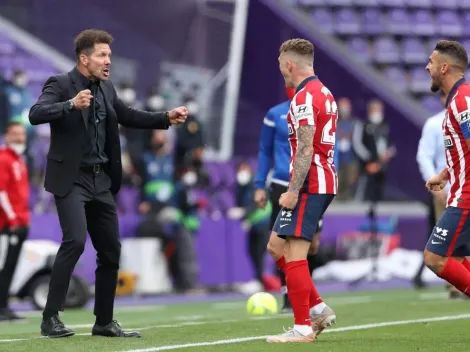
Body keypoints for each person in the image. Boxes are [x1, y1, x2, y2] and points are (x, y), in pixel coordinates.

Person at [28, 29, 188, 338]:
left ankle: (103, 322)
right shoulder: (60, 84)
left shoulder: (106, 88)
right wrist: (70, 105)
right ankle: (50, 317)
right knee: (74, 241)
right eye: (102, 55)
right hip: (71, 179)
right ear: (84, 58)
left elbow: (129, 115)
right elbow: (35, 114)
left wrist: (165, 117)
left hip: (101, 180)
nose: (108, 61)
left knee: (112, 250)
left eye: (109, 56)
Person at [265, 38, 337, 343]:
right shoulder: (324, 92)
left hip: (310, 183)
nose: (279, 66)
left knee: (294, 253)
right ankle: (318, 307)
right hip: (320, 180)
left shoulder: (305, 97)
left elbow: (306, 147)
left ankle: (303, 326)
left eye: (280, 61)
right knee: (275, 247)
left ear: (289, 64)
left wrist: (293, 190)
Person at [254, 87, 333, 313]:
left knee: (311, 245)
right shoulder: (275, 114)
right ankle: (290, 296)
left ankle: (308, 295)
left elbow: (327, 149)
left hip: (311, 183)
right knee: (280, 243)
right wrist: (260, 184)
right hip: (281, 183)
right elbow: (264, 150)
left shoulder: (318, 109)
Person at [423, 40, 470, 298]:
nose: (426, 67)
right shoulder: (457, 100)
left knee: (434, 257)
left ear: (443, 68)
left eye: (430, 62)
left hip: (466, 197)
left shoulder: (463, 101)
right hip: (460, 192)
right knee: (458, 257)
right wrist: (444, 175)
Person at [415, 90, 461, 297]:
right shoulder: (434, 123)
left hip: (464, 185)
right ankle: (453, 282)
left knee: (463, 236)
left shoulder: (463, 120)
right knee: (446, 236)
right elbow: (424, 155)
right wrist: (434, 184)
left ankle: (460, 279)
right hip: (445, 189)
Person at [0, 122, 29, 321]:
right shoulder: (4, 159)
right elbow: (1, 192)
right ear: (7, 136)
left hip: (19, 221)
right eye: (15, 134)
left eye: (22, 134)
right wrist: (12, 219)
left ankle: (4, 306)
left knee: (10, 267)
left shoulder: (19, 160)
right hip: (8, 225)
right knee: (4, 267)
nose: (20, 138)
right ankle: (1, 308)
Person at [352, 99, 394, 202]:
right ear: (370, 111)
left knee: (379, 189)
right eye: (376, 109)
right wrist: (369, 158)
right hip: (367, 164)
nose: (378, 112)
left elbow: (390, 143)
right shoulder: (363, 125)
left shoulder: (385, 125)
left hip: (382, 163)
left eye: (380, 110)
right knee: (365, 188)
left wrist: (388, 153)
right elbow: (357, 144)